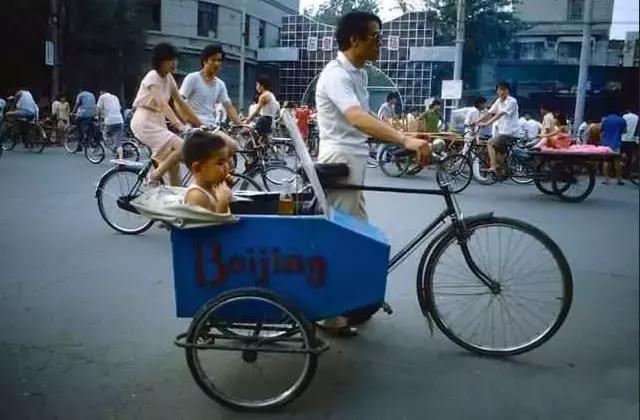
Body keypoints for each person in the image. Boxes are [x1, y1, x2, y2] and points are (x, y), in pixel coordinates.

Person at [315, 12, 431, 335]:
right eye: (375, 37)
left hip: (352, 160)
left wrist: (405, 132)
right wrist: (404, 139)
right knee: (345, 242)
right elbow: (357, 118)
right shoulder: (336, 75)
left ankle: (354, 302)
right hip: (341, 161)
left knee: (358, 237)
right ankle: (329, 315)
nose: (380, 44)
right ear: (355, 40)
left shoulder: (355, 74)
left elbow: (365, 117)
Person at [130, 42, 203, 186]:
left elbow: (180, 102)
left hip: (157, 121)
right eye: (170, 60)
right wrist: (180, 126)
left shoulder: (169, 78)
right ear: (160, 61)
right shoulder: (152, 76)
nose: (174, 63)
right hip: (144, 121)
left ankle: (175, 197)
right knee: (183, 147)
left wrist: (201, 124)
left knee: (173, 163)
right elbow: (162, 104)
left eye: (175, 59)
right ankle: (153, 176)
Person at [179, 44, 243, 128]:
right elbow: (178, 102)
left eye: (219, 61)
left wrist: (241, 126)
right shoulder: (193, 78)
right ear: (205, 61)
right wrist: (185, 121)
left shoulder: (220, 85)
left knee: (231, 141)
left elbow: (229, 107)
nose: (217, 64)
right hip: (195, 127)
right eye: (213, 60)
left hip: (211, 126)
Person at [183, 130, 232, 214]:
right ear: (197, 168)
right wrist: (222, 204)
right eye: (220, 163)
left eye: (227, 161)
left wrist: (227, 188)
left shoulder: (212, 187)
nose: (226, 167)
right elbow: (210, 226)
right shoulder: (196, 196)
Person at [476, 81, 520, 173]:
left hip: (509, 132)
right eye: (500, 90)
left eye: (504, 89)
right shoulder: (498, 101)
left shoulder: (512, 101)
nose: (502, 92)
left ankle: (493, 166)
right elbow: (489, 112)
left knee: (490, 143)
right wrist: (477, 121)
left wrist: (487, 123)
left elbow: (500, 114)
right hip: (502, 131)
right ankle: (504, 169)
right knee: (498, 151)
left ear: (508, 91)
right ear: (497, 91)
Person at [97, 89, 125, 161]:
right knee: (118, 141)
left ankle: (110, 147)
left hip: (110, 121)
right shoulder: (115, 97)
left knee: (104, 134)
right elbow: (120, 108)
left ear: (102, 92)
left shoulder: (102, 97)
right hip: (120, 120)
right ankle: (120, 158)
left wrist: (98, 116)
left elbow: (98, 109)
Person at [600, 110, 627, 185]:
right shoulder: (622, 120)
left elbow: (601, 130)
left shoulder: (605, 120)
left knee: (606, 161)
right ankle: (619, 180)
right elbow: (624, 131)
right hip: (616, 143)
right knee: (617, 161)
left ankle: (606, 180)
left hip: (606, 144)